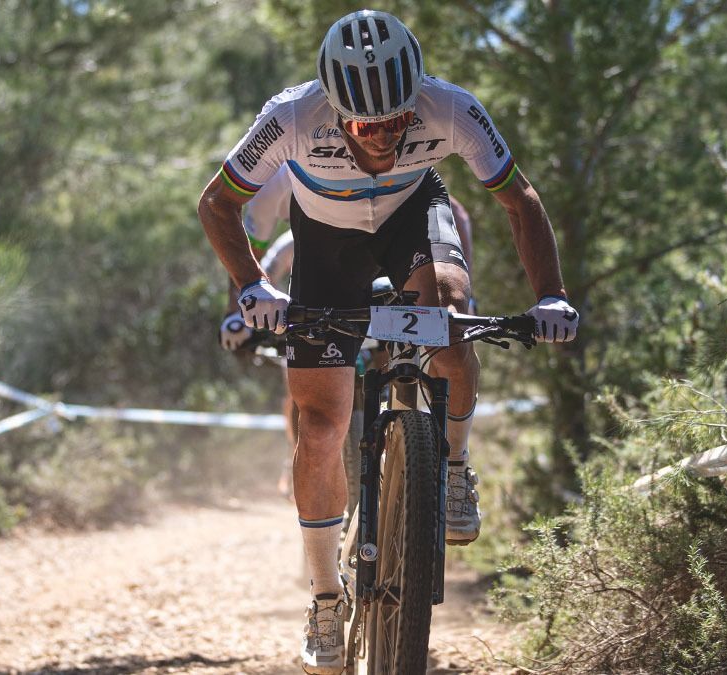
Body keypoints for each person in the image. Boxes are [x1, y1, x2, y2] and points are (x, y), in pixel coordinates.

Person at [197, 10, 579, 673]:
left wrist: (550, 293)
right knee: (320, 426)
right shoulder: (291, 115)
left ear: (415, 99)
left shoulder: (450, 106)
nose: (383, 136)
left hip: (412, 216)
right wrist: (252, 286)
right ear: (334, 108)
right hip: (325, 240)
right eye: (364, 126)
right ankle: (325, 596)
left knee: (452, 316)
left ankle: (453, 467)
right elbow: (216, 203)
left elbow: (519, 199)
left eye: (398, 120)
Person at [219, 166, 478, 502]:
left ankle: (416, 452)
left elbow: (453, 218)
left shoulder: (408, 196)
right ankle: (299, 453)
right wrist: (239, 313)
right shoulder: (292, 235)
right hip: (331, 295)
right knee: (296, 376)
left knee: (409, 352)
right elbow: (259, 268)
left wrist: (464, 296)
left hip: (385, 284)